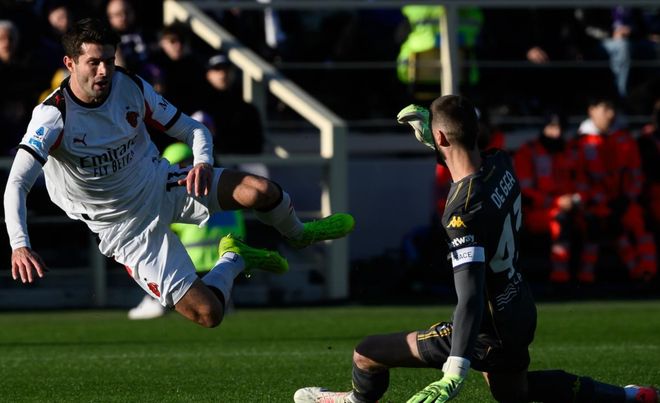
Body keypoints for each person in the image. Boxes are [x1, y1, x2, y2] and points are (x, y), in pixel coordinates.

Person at [293, 95, 658, 403]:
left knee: (366, 353)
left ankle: (351, 401)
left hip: (486, 328)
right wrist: (437, 141)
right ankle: (629, 396)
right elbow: (464, 156)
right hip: (519, 308)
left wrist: (454, 371)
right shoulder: (501, 162)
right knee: (515, 392)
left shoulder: (461, 212)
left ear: (439, 136)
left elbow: (469, 298)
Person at [3, 18, 355, 329]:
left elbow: (193, 130)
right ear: (70, 63)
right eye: (93, 62)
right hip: (125, 228)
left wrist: (202, 162)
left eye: (108, 60)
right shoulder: (53, 116)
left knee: (260, 191)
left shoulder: (130, 87)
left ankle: (299, 234)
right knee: (209, 314)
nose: (104, 71)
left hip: (161, 183)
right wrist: (20, 245)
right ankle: (235, 258)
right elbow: (17, 182)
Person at [127, 142, 247, 320]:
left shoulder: (182, 193)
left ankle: (157, 300)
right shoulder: (221, 188)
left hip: (195, 262)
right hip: (229, 256)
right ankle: (223, 297)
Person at [571, 97, 657, 282]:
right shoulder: (580, 143)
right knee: (596, 227)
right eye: (605, 109)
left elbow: (635, 174)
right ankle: (584, 280)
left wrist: (627, 198)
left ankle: (648, 274)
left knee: (641, 222)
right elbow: (578, 180)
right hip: (593, 204)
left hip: (622, 201)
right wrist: (597, 202)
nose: (610, 115)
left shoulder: (624, 139)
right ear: (592, 110)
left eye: (612, 110)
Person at [513, 112, 582, 284]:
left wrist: (576, 199)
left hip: (570, 206)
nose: (557, 133)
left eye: (560, 128)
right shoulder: (528, 152)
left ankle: (587, 279)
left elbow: (579, 182)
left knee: (594, 218)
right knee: (560, 220)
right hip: (536, 212)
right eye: (552, 127)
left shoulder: (570, 151)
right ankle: (560, 278)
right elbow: (525, 191)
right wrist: (557, 202)